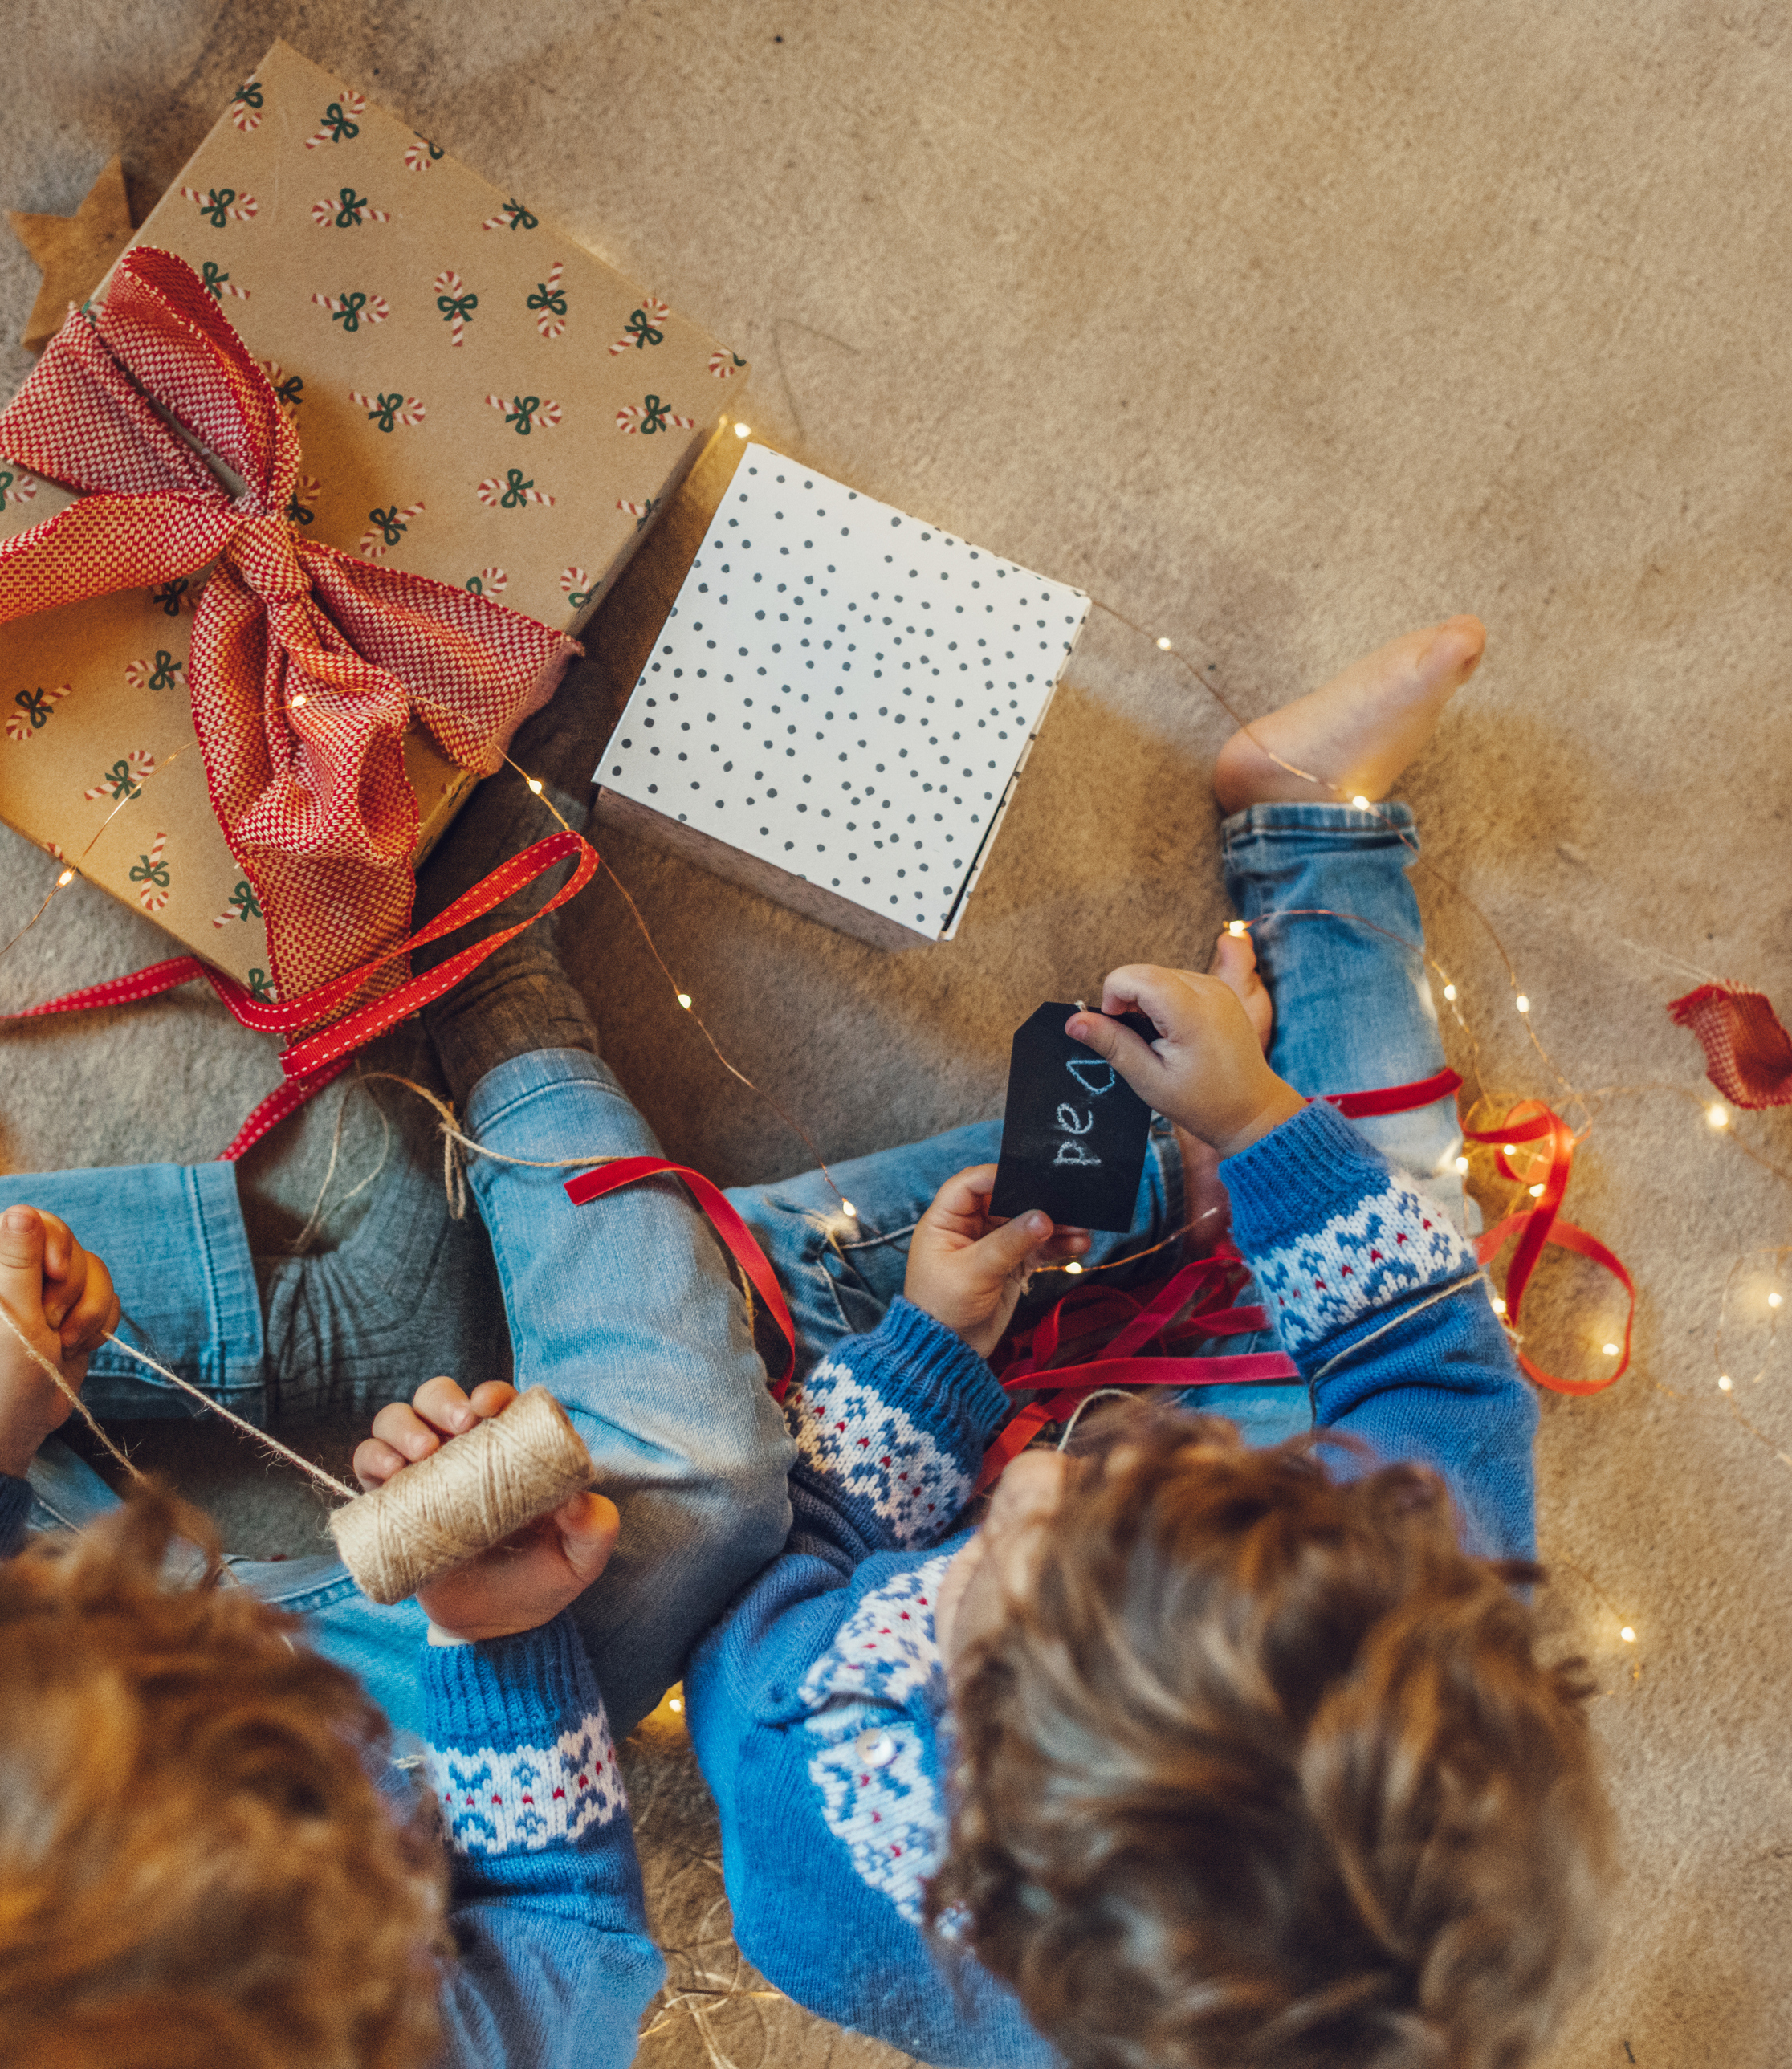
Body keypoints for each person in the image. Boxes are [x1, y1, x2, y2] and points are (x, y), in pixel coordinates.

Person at [684, 619, 1616, 2067]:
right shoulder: (1406, 1586)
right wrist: (1257, 1123)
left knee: (730, 1329)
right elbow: (1425, 1358)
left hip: (919, 1428)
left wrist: (933, 1355)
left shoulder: (826, 1827)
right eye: (1142, 1479)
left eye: (1021, 1549)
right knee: (1407, 1204)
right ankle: (1310, 832)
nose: (1054, 1475)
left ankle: (1151, 1180)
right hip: (1263, 1403)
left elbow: (779, 1584)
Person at [0, 1259, 654, 2067]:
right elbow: (562, 1924)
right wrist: (491, 1632)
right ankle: (380, 1279)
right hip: (409, 1710)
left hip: (12, 1594)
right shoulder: (382, 2034)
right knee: (688, 1462)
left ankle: (343, 1283)